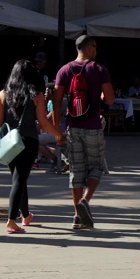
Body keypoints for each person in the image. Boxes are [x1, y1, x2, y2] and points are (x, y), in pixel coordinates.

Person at [0, 60, 65, 234]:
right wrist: (58, 134)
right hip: (28, 142)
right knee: (19, 180)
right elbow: (43, 122)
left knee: (19, 178)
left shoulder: (3, 94)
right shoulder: (37, 95)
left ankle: (25, 215)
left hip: (10, 143)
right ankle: (11, 221)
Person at [53, 35, 115, 229]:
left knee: (76, 171)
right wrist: (103, 96)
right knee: (96, 166)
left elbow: (56, 103)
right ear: (89, 48)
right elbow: (111, 99)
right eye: (95, 46)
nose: (96, 50)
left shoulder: (64, 70)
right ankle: (85, 201)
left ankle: (77, 217)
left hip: (72, 127)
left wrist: (57, 131)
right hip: (93, 126)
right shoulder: (99, 69)